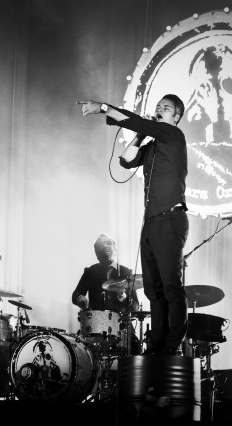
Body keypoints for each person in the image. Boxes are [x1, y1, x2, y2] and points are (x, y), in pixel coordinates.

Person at [77, 95, 189, 355]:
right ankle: (158, 344)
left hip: (170, 220)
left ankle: (174, 345)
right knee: (153, 289)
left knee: (172, 286)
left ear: (176, 116)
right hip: (150, 223)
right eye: (158, 106)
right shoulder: (153, 144)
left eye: (166, 108)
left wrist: (103, 108)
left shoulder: (174, 136)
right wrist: (139, 136)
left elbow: (134, 120)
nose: (160, 110)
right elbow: (126, 161)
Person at [72, 233, 139, 354]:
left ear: (115, 249)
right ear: (96, 253)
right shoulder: (90, 272)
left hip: (122, 326)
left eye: (109, 244)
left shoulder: (126, 272)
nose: (105, 248)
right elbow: (75, 294)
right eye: (101, 246)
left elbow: (135, 307)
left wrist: (122, 296)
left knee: (135, 350)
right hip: (96, 328)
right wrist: (80, 298)